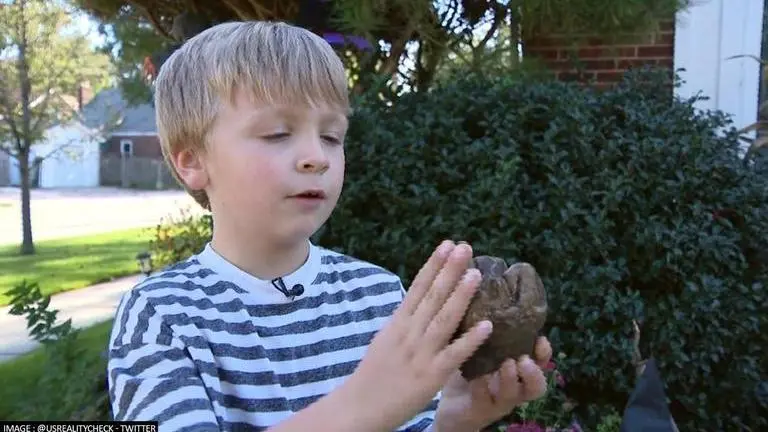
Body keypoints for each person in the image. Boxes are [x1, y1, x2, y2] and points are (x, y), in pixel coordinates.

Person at [107, 20, 552, 432]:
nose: (316, 157)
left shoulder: (378, 295)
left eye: (331, 136)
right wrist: (360, 405)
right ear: (193, 162)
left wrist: (451, 421)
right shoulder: (161, 316)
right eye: (278, 134)